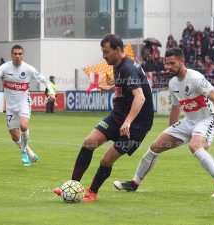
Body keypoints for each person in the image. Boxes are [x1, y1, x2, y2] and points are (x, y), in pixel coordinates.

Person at [114, 47, 214, 197]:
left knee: (195, 146)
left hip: (206, 119)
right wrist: (171, 131)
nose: (168, 67)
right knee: (154, 147)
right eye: (166, 64)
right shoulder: (172, 83)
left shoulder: (196, 78)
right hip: (188, 121)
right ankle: (134, 183)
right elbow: (176, 109)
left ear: (182, 62)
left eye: (172, 63)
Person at [54, 34, 154, 202]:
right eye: (102, 51)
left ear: (118, 50)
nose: (103, 56)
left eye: (106, 52)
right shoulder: (119, 63)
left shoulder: (128, 68)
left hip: (136, 125)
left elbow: (140, 97)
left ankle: (92, 192)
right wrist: (111, 87)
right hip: (118, 117)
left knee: (106, 159)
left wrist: (128, 122)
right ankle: (73, 186)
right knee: (89, 142)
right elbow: (130, 83)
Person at [0, 45, 56, 166]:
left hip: (24, 102)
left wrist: (51, 92)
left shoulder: (28, 69)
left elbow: (44, 80)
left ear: (23, 55)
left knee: (23, 126)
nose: (17, 56)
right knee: (14, 136)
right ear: (11, 55)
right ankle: (30, 153)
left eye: (20, 54)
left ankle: (23, 151)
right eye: (15, 54)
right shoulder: (5, 67)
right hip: (10, 106)